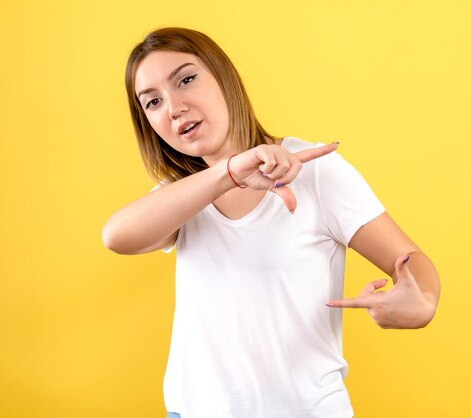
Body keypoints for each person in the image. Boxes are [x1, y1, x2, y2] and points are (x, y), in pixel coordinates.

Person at [102, 27, 441, 418]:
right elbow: (116, 236)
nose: (173, 107)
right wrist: (228, 173)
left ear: (224, 77)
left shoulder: (314, 170)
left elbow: (412, 260)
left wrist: (422, 301)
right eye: (153, 102)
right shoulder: (181, 196)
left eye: (187, 79)